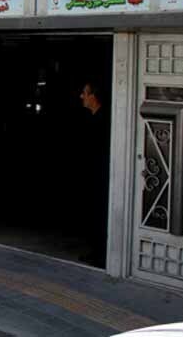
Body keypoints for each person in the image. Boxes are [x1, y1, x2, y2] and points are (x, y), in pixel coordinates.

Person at [78, 81, 110, 269]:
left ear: (93, 96)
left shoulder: (104, 120)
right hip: (92, 176)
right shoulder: (91, 118)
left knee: (100, 214)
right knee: (92, 214)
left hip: (101, 177)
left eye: (84, 92)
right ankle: (96, 251)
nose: (81, 96)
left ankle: (102, 254)